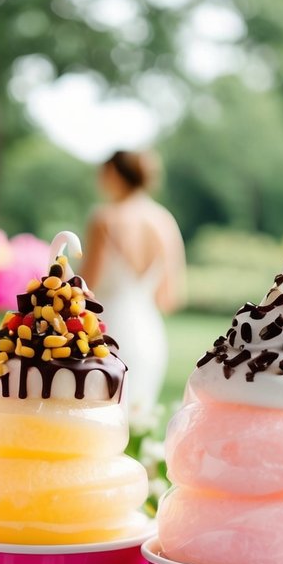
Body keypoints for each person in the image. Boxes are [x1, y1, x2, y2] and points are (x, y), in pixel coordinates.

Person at [81, 150, 186, 417]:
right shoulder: (164, 220)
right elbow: (169, 298)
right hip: (148, 331)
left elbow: (85, 286)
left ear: (113, 174)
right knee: (137, 419)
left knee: (99, 416)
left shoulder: (104, 218)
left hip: (107, 329)